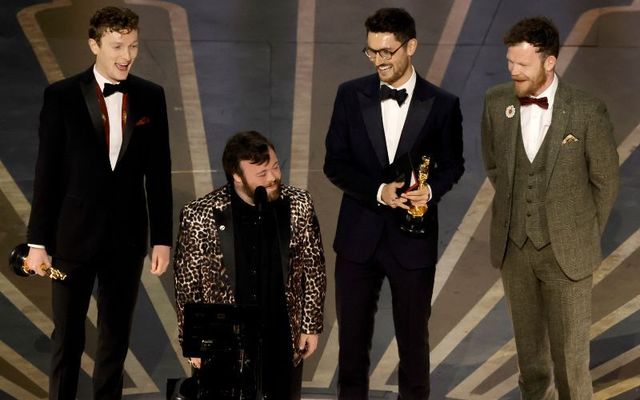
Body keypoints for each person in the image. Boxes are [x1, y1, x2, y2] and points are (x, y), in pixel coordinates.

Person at [24, 6, 173, 399]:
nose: (127, 55)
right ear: (94, 44)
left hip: (126, 240)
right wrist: (37, 243)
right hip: (71, 238)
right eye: (117, 45)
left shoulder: (151, 97)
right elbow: (47, 174)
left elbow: (159, 173)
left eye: (134, 46)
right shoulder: (60, 97)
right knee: (68, 339)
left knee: (115, 340)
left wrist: (161, 237)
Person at [323, 8, 464, 399]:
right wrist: (378, 191)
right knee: (351, 347)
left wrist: (431, 190)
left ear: (411, 46)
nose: (380, 60)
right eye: (371, 52)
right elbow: (335, 163)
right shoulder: (350, 95)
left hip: (412, 241)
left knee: (414, 346)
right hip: (357, 240)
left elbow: (454, 164)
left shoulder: (442, 104)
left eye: (387, 51)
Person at [481, 17, 619, 399]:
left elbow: (605, 182)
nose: (513, 71)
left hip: (568, 256)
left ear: (549, 62)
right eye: (510, 62)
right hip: (515, 251)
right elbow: (495, 166)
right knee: (530, 360)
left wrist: (581, 232)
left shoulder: (587, 111)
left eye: (522, 64)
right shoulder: (496, 103)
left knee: (571, 363)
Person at [174, 131, 327, 399]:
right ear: (236, 175)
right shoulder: (200, 215)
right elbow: (187, 283)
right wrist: (193, 341)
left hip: (281, 330)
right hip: (224, 338)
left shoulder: (299, 205)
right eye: (261, 173)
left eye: (275, 167)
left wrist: (310, 326)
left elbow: (314, 268)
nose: (272, 178)